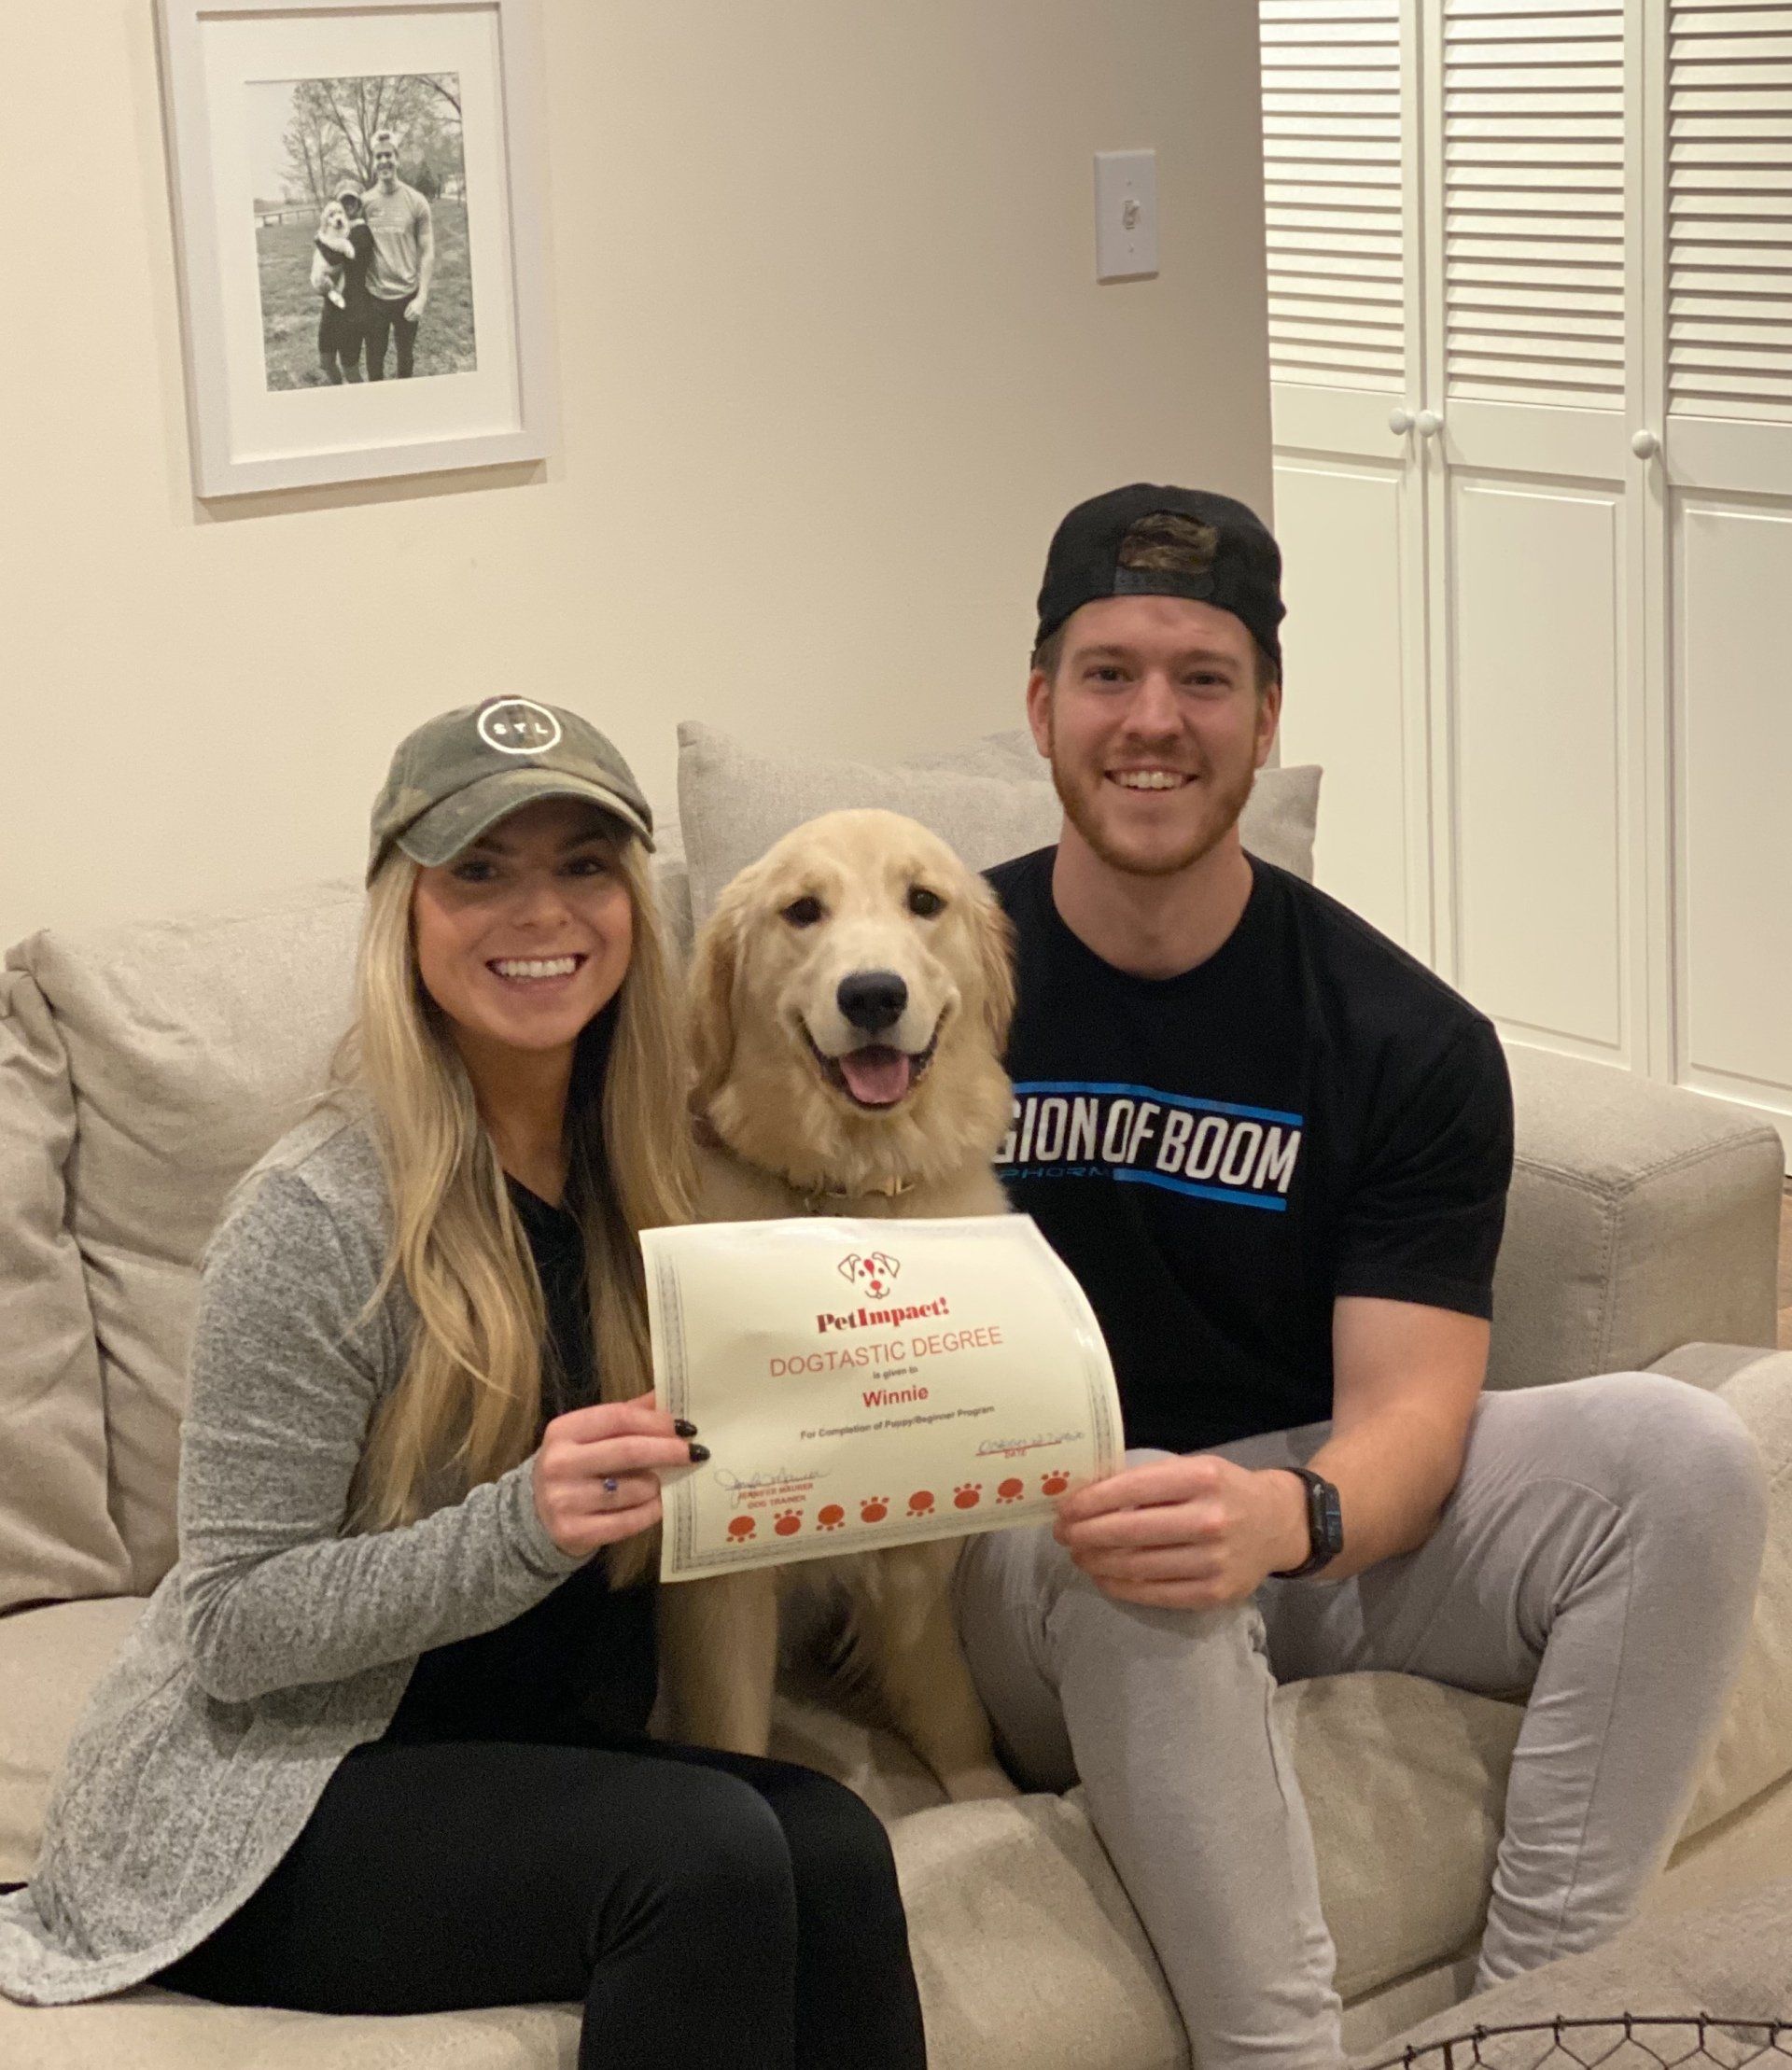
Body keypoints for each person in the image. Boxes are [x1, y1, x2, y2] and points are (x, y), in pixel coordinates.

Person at [954, 484, 1770, 2069]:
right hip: (1030, 1544)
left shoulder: (1400, 1036)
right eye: (1111, 672)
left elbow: (1409, 1414)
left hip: (1289, 1513)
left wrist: (1287, 1515)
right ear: (1042, 705)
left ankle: (1537, 2029)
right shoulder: (928, 978)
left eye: (1204, 678)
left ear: (1266, 721)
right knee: (1147, 1531)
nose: (1154, 719)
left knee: (1685, 1454)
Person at [0, 696, 928, 2070]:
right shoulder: (318, 1214)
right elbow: (234, 1624)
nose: (537, 910)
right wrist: (520, 1525)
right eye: (479, 869)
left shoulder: (653, 1172)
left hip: (522, 1751)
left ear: (632, 905)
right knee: (706, 1858)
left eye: (582, 864)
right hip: (277, 1799)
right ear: (407, 913)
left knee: (835, 1841)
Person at [360, 128, 434, 380]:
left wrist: (421, 297)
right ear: (373, 163)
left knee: (405, 360)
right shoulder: (364, 204)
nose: (384, 161)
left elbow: (427, 251)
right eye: (378, 156)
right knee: (374, 363)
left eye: (388, 155)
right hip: (375, 298)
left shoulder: (417, 201)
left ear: (397, 159)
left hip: (407, 297)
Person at [314, 187, 372, 385]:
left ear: (359, 204)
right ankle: (339, 394)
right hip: (331, 307)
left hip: (352, 310)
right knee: (326, 361)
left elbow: (334, 258)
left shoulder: (362, 231)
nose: (348, 205)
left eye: (352, 201)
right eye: (343, 202)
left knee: (350, 368)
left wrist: (318, 241)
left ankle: (362, 401)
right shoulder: (339, 231)